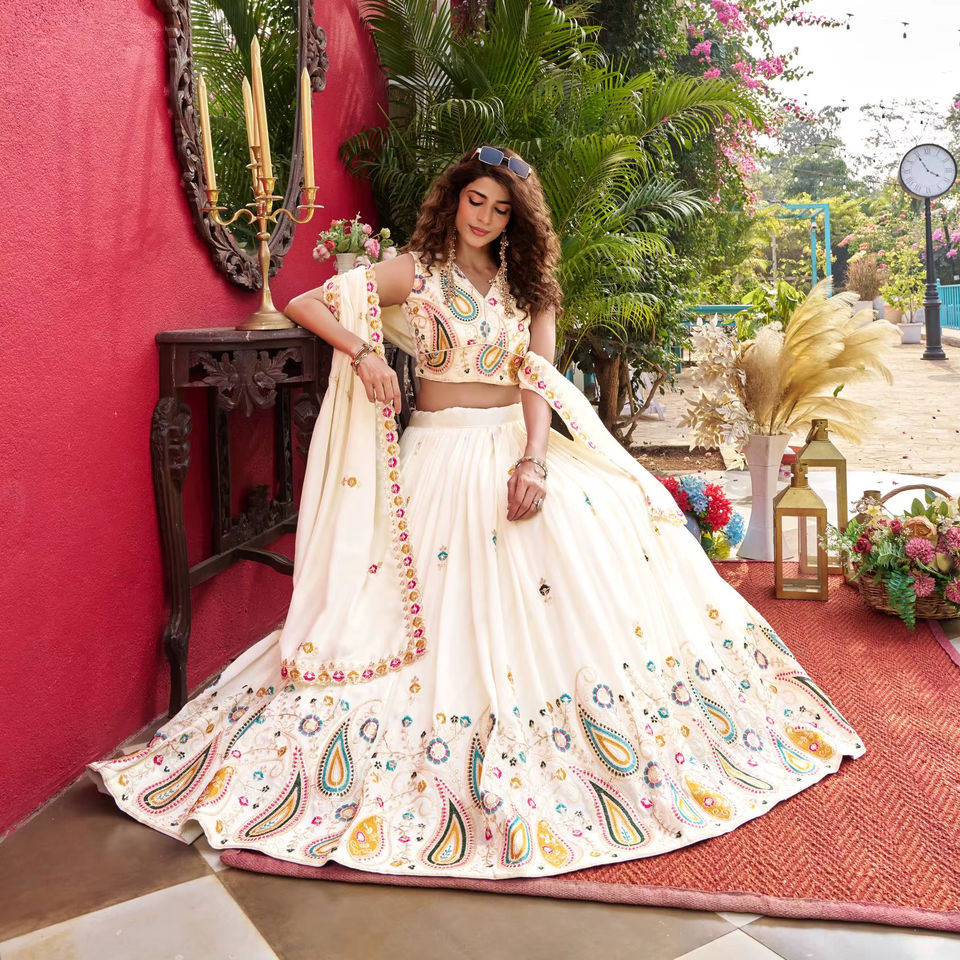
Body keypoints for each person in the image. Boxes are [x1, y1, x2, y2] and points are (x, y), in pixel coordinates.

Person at [89, 146, 864, 878]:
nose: (484, 217)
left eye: (499, 209)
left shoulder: (529, 290)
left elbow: (538, 379)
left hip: (508, 445)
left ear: (515, 221)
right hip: (434, 452)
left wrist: (534, 460)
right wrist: (364, 352)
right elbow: (305, 301)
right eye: (475, 201)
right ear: (454, 201)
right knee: (406, 618)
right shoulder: (417, 271)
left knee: (603, 537)